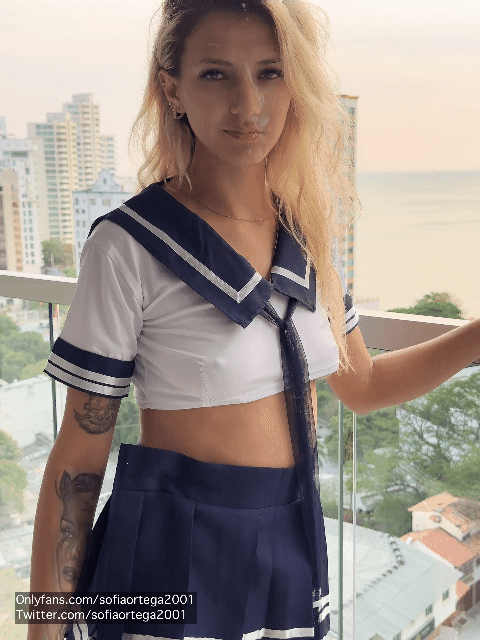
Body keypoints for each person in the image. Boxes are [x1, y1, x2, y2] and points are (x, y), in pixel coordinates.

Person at [28, 1, 480, 640]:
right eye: (216, 74)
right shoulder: (128, 246)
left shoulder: (307, 235)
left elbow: (364, 384)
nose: (248, 105)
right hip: (169, 558)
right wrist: (42, 630)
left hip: (291, 547)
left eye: (270, 73)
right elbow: (77, 460)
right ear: (172, 89)